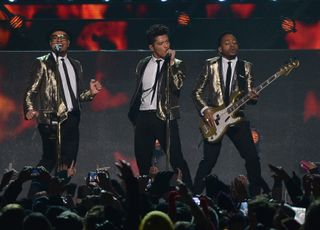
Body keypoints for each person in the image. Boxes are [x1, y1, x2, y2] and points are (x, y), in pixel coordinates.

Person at [192, 32, 268, 195]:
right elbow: (196, 92)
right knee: (208, 161)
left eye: (235, 42)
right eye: (227, 43)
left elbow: (250, 96)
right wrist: (206, 110)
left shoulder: (246, 66)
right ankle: (195, 195)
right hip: (215, 120)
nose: (232, 45)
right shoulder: (210, 65)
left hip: (237, 117)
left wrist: (253, 97)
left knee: (252, 158)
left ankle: (256, 195)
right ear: (220, 48)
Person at [23, 27, 102, 173]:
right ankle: (35, 192)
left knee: (69, 163)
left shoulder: (76, 65)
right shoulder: (42, 63)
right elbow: (31, 89)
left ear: (69, 42)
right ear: (50, 43)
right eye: (55, 37)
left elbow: (76, 96)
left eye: (63, 37)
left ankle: (59, 193)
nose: (59, 39)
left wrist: (91, 93)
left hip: (72, 118)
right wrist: (29, 108)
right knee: (50, 158)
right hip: (51, 118)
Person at [128, 24, 193, 188]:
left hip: (165, 116)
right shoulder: (142, 63)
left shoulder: (177, 64)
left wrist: (170, 64)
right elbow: (139, 89)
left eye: (167, 42)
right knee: (142, 159)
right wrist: (135, 115)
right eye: (160, 43)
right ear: (151, 47)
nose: (165, 46)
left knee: (176, 157)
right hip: (143, 115)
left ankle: (190, 193)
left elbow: (177, 85)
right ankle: (145, 193)